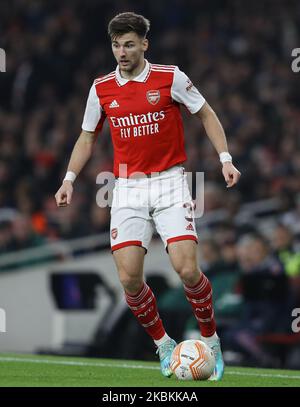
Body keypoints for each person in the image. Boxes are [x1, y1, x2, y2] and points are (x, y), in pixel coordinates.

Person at [55, 12, 241, 380]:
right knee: (128, 280)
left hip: (170, 182)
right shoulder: (101, 88)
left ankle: (211, 338)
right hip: (125, 187)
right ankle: (164, 345)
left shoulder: (170, 78)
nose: (121, 52)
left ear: (144, 44)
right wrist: (69, 179)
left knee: (187, 270)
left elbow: (206, 114)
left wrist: (225, 159)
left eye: (128, 44)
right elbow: (87, 136)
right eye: (116, 45)